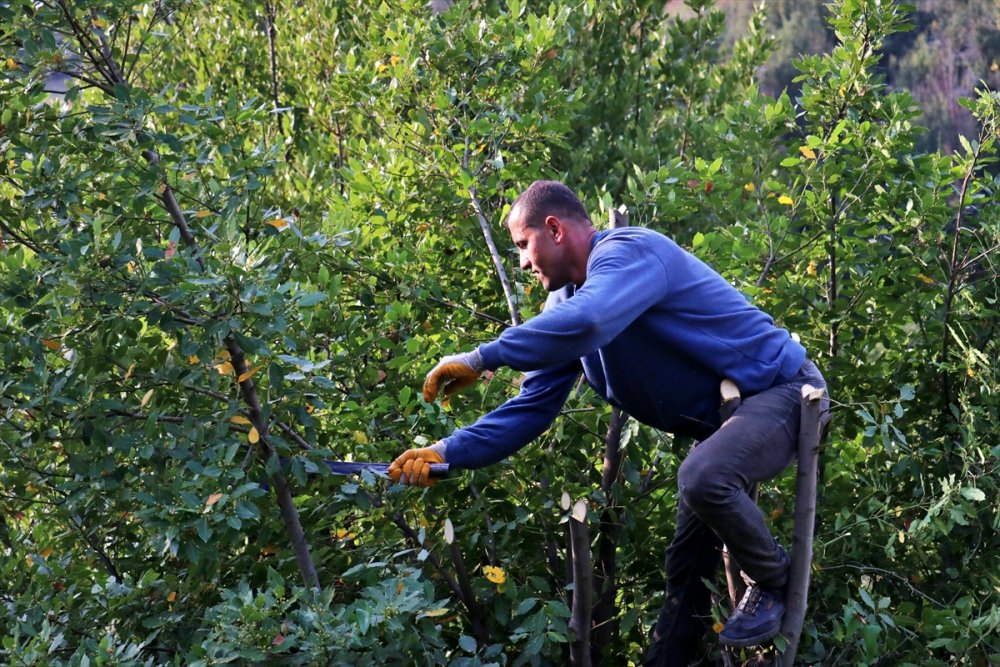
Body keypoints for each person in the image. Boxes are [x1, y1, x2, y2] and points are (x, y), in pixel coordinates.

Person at [388, 180, 827, 665]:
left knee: (703, 476)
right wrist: (446, 452)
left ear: (553, 228)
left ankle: (772, 580)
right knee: (684, 578)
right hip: (726, 426)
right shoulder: (566, 307)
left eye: (522, 245)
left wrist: (481, 357)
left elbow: (592, 320)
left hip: (784, 392)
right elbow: (531, 407)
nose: (522, 263)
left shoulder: (629, 253)